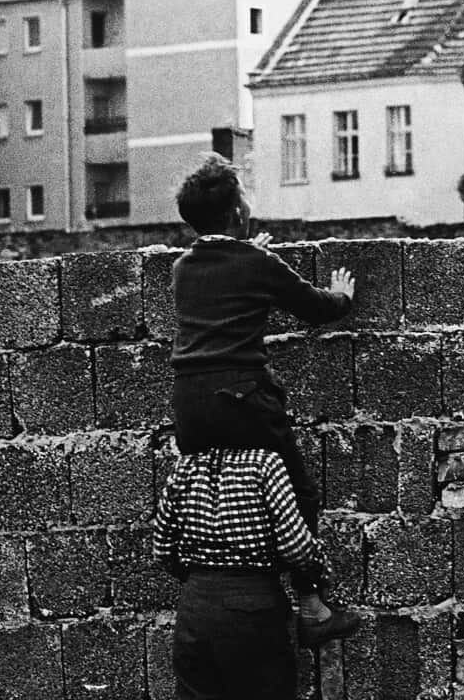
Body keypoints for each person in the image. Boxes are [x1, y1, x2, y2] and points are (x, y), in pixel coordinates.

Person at [168, 152, 361, 648]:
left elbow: (221, 276)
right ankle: (312, 608)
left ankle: (217, 595)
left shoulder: (183, 268)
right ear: (237, 212)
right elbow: (316, 309)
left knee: (210, 493)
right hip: (242, 398)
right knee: (298, 495)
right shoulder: (256, 262)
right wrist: (340, 296)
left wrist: (245, 251)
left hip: (189, 405)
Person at [153, 446, 336, 699]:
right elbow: (296, 547)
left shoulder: (185, 466)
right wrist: (319, 572)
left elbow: (162, 549)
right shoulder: (264, 463)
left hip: (195, 605)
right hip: (254, 600)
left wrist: (199, 579)